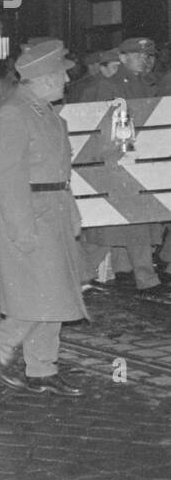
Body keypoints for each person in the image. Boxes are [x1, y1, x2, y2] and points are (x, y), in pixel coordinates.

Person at [0, 40, 87, 396]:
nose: (66, 80)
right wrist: (21, 229)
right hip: (31, 214)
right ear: (41, 77)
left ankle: (42, 368)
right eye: (61, 74)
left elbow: (59, 174)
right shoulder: (14, 113)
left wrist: (70, 212)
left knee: (57, 292)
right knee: (41, 293)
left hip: (52, 211)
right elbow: (6, 178)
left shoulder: (46, 111)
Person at [77, 36, 164, 293]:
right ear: (123, 58)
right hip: (115, 165)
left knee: (136, 222)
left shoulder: (149, 84)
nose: (146, 60)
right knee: (108, 226)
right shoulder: (110, 87)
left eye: (150, 56)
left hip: (140, 164)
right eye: (139, 55)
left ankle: (146, 277)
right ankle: (79, 276)